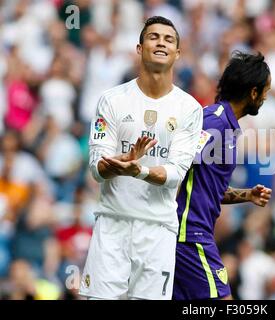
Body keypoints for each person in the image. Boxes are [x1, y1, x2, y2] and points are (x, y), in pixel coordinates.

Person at [79, 16, 203, 300]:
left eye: (168, 39)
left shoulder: (189, 109)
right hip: (112, 224)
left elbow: (175, 173)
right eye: (153, 37)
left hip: (158, 231)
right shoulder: (111, 100)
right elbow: (96, 167)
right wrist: (118, 163)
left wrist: (138, 171)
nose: (161, 42)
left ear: (177, 53)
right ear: (139, 48)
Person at [173, 51, 272, 300]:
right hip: (189, 234)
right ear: (253, 92)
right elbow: (175, 168)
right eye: (265, 90)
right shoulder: (213, 123)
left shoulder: (227, 127)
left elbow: (207, 189)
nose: (265, 97)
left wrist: (247, 195)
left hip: (191, 233)